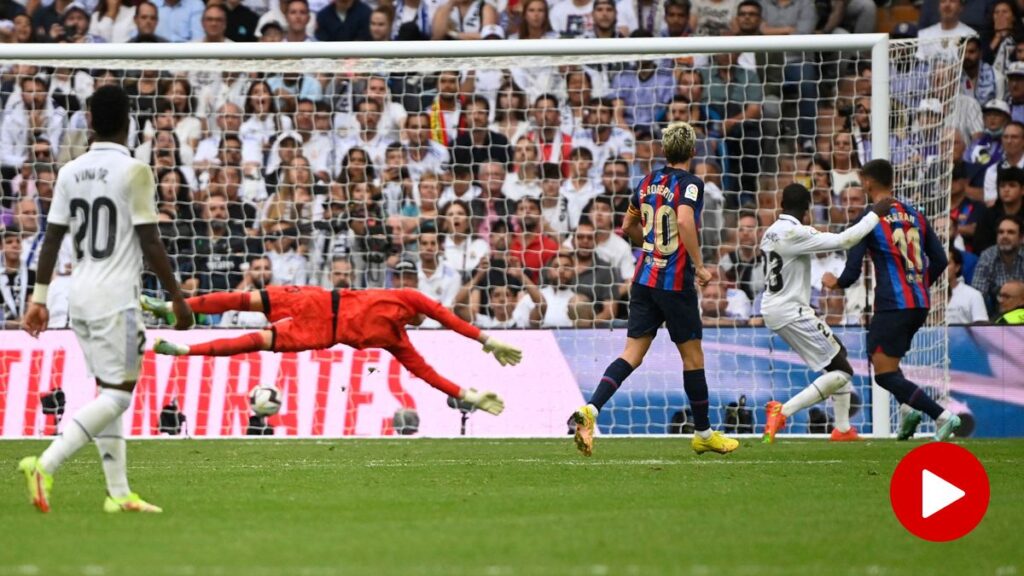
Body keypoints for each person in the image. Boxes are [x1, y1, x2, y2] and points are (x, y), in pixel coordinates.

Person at [19, 85, 194, 514]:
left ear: (91, 120)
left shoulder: (69, 171)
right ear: (129, 120)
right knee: (119, 394)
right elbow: (150, 240)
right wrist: (177, 298)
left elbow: (52, 238)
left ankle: (118, 493)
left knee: (110, 388)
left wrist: (38, 298)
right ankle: (45, 463)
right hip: (117, 298)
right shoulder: (135, 170)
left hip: (78, 294)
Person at [570, 122, 738, 457]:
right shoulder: (690, 184)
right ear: (692, 151)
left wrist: (649, 245)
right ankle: (703, 432)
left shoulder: (647, 182)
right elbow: (686, 220)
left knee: (631, 353)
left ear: (664, 150)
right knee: (692, 356)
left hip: (644, 278)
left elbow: (626, 225)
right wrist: (700, 265)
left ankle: (591, 410)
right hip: (674, 283)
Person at [142, 287, 522, 416]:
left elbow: (426, 373)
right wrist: (485, 339)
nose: (426, 318)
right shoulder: (409, 298)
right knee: (245, 300)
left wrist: (466, 395)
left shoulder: (398, 341)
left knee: (253, 339)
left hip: (321, 328)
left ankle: (182, 350)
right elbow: (445, 316)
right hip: (319, 301)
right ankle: (174, 306)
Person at [823, 159, 959, 441]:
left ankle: (943, 416)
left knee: (883, 374)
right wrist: (919, 284)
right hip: (919, 303)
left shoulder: (869, 218)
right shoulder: (915, 214)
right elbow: (941, 260)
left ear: (868, 182)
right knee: (890, 365)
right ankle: (909, 411)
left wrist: (836, 283)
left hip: (892, 304)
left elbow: (852, 268)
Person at [760, 184, 894, 443]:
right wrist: (875, 213)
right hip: (791, 311)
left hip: (775, 308)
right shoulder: (795, 232)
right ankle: (782, 411)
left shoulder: (771, 232)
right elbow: (846, 240)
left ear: (782, 204)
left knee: (837, 355)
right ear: (807, 211)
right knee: (842, 371)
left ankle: (842, 429)